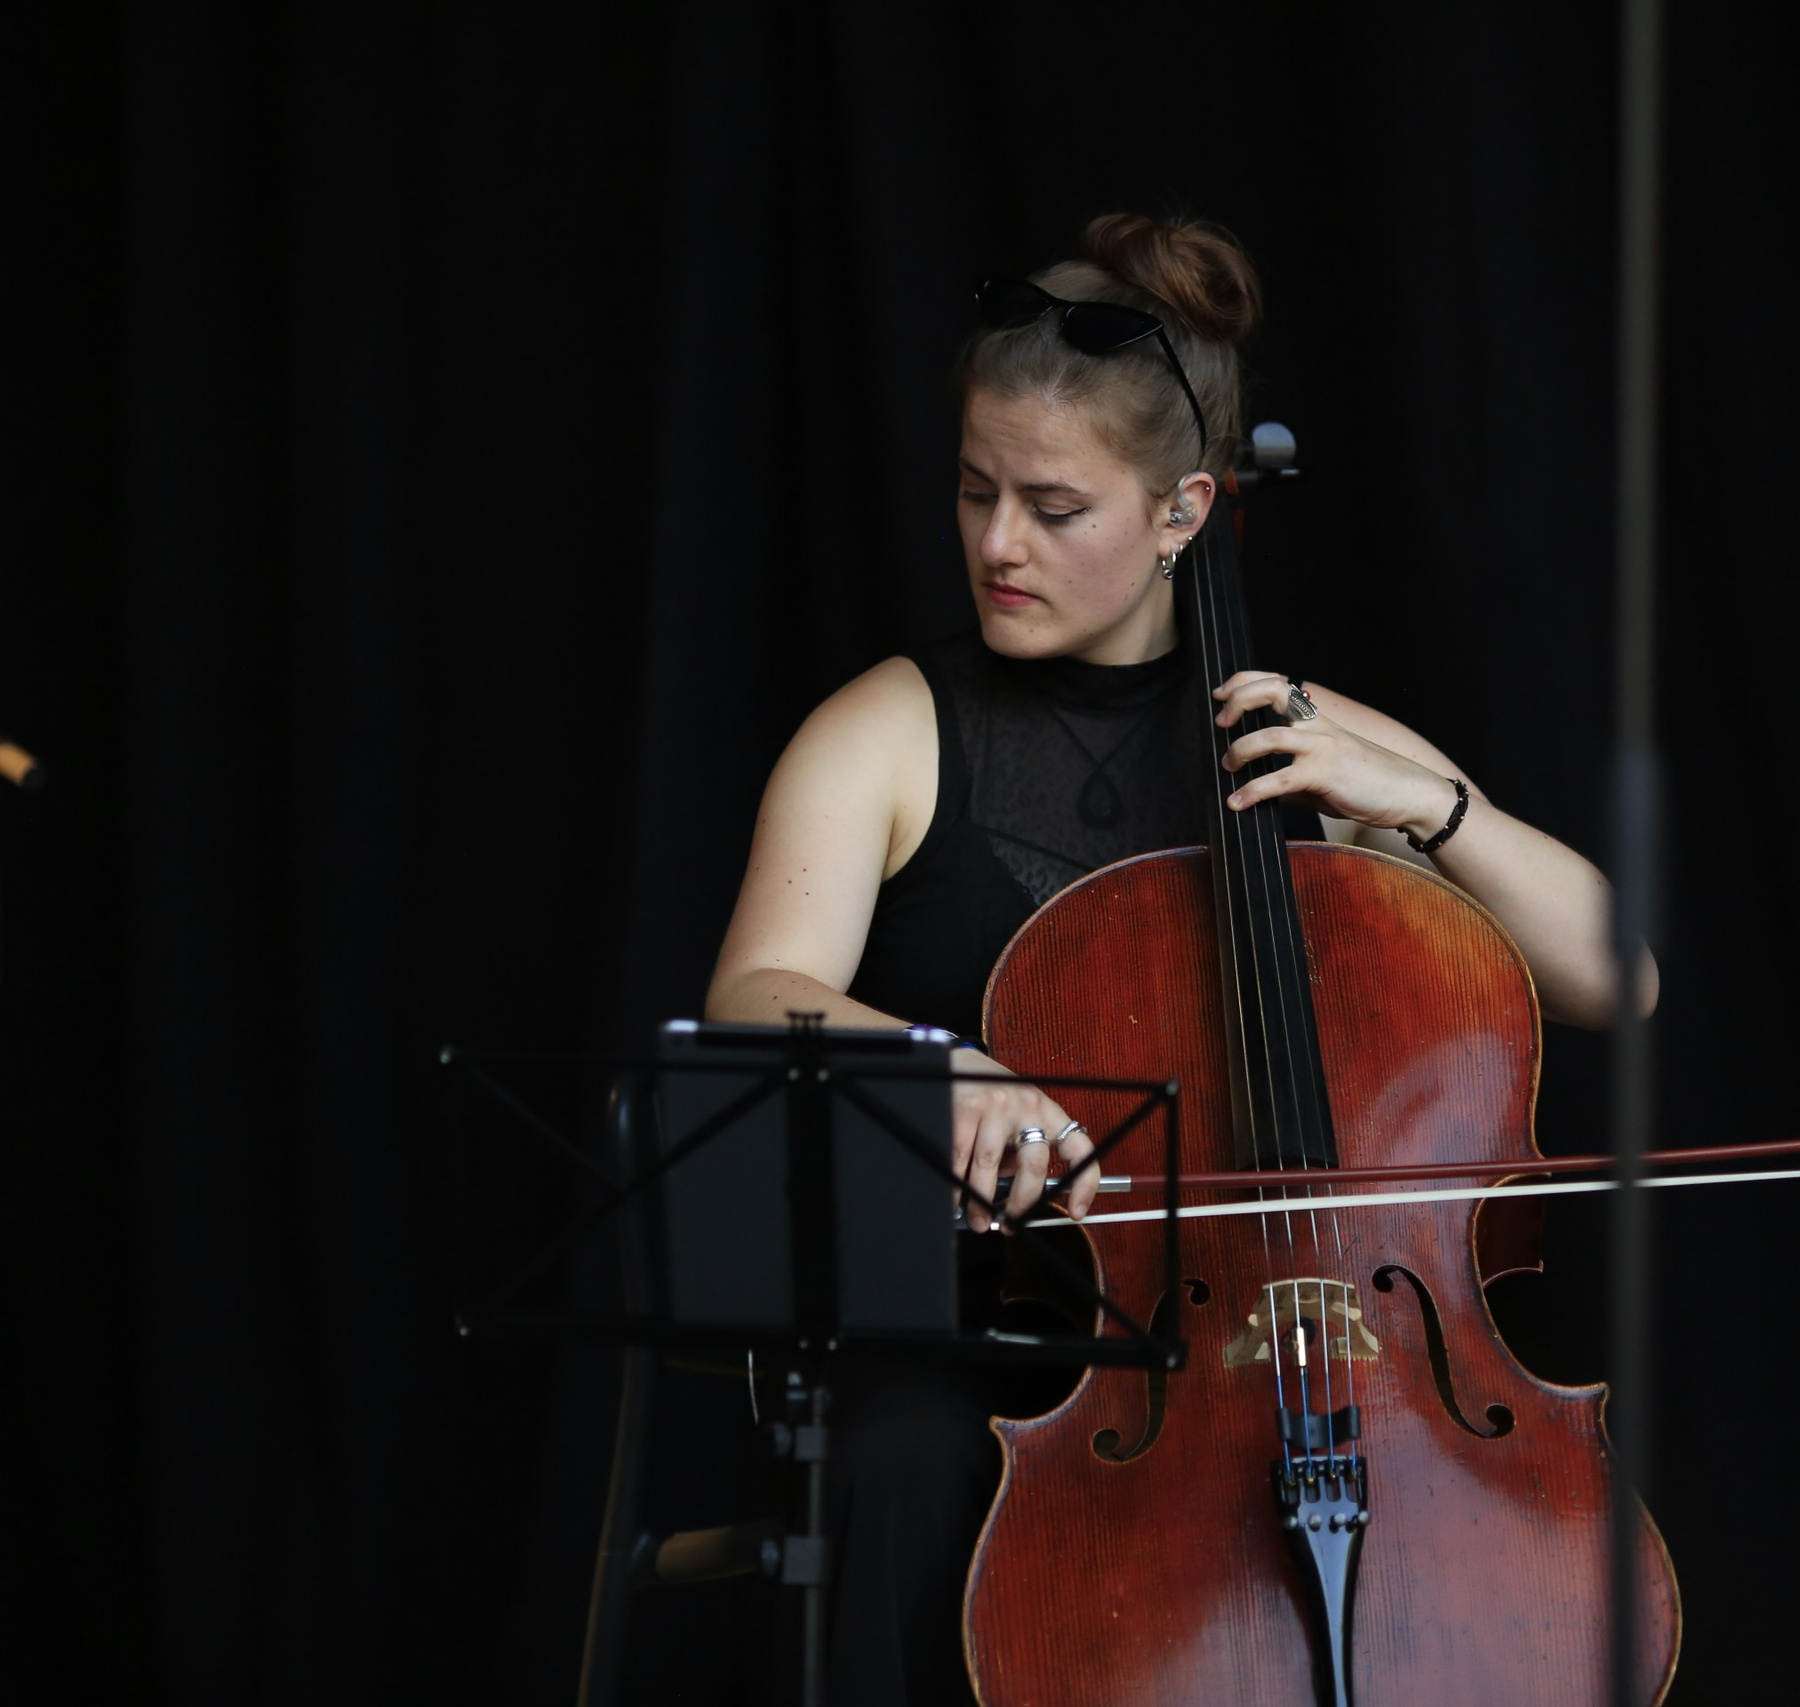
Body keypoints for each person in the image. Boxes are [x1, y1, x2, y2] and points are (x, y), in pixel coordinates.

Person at [702, 211, 1655, 1703]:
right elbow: (756, 995)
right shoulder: (887, 728)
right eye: (975, 490)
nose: (998, 544)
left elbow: (1616, 977)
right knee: (897, 1460)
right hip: (991, 1324)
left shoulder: (1296, 738)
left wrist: (1432, 808)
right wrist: (941, 1066)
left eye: (1054, 507)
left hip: (1317, 1340)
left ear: (1182, 511)